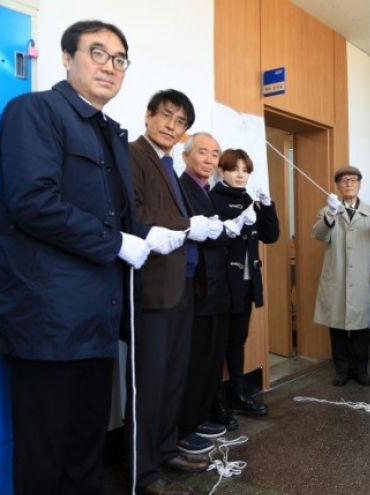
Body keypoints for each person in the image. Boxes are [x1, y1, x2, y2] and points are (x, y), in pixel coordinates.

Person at [0, 20, 184, 495]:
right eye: (97, 53)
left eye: (119, 59)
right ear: (66, 57)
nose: (110, 66)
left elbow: (110, 217)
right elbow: (33, 201)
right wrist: (118, 242)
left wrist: (145, 234)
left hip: (99, 315)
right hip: (48, 320)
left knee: (86, 449)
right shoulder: (33, 111)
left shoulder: (109, 133)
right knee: (46, 453)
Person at [128, 89, 225, 494]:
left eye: (181, 121)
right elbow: (132, 212)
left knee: (172, 378)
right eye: (166, 116)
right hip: (152, 288)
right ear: (149, 115)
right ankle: (143, 471)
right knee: (148, 382)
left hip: (182, 285)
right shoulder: (132, 155)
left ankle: (166, 449)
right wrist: (189, 223)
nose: (172, 125)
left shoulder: (168, 163)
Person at [178, 133, 242, 445]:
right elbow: (196, 233)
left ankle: (200, 416)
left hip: (217, 288)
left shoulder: (206, 190)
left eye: (214, 154)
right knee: (196, 360)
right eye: (202, 152)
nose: (209, 159)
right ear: (186, 156)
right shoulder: (182, 187)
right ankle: (189, 423)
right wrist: (221, 231)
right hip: (197, 290)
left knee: (211, 359)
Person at [210, 148, 280, 417]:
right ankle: (216, 403)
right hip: (225, 283)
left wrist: (268, 204)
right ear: (222, 171)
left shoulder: (249, 199)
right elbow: (212, 239)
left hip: (247, 282)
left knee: (238, 340)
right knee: (219, 343)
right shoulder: (213, 198)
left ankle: (238, 394)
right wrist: (237, 222)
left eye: (245, 170)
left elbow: (271, 235)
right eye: (235, 169)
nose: (241, 175)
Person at [312, 166, 370, 386]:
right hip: (336, 279)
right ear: (338, 186)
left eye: (353, 180)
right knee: (337, 327)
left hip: (363, 280)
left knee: (361, 328)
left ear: (360, 184)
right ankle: (342, 371)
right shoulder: (328, 210)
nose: (349, 184)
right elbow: (318, 234)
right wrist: (330, 214)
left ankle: (361, 370)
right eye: (344, 180)